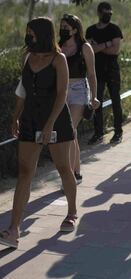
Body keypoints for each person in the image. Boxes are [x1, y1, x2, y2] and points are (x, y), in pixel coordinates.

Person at [0, 17, 77, 248]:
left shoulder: (58, 58)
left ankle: (72, 212)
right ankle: (14, 229)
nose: (28, 37)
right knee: (25, 172)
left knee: (64, 167)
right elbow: (22, 91)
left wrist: (50, 124)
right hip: (30, 119)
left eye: (31, 33)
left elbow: (62, 93)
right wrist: (15, 116)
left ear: (43, 34)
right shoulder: (27, 57)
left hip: (55, 120)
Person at [59, 14, 100, 184]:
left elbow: (91, 73)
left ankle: (68, 176)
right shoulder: (58, 46)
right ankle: (75, 173)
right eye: (61, 26)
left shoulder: (85, 47)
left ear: (75, 29)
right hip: (61, 90)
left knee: (69, 130)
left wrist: (94, 97)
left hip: (79, 90)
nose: (62, 30)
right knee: (71, 133)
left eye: (66, 27)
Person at [86, 1, 124, 145]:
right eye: (105, 12)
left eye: (109, 13)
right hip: (96, 70)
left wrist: (98, 46)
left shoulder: (115, 29)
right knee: (96, 101)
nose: (107, 15)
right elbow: (90, 50)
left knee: (116, 101)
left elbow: (115, 50)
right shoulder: (90, 30)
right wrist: (107, 44)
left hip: (112, 70)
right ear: (99, 13)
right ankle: (98, 132)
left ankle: (118, 132)